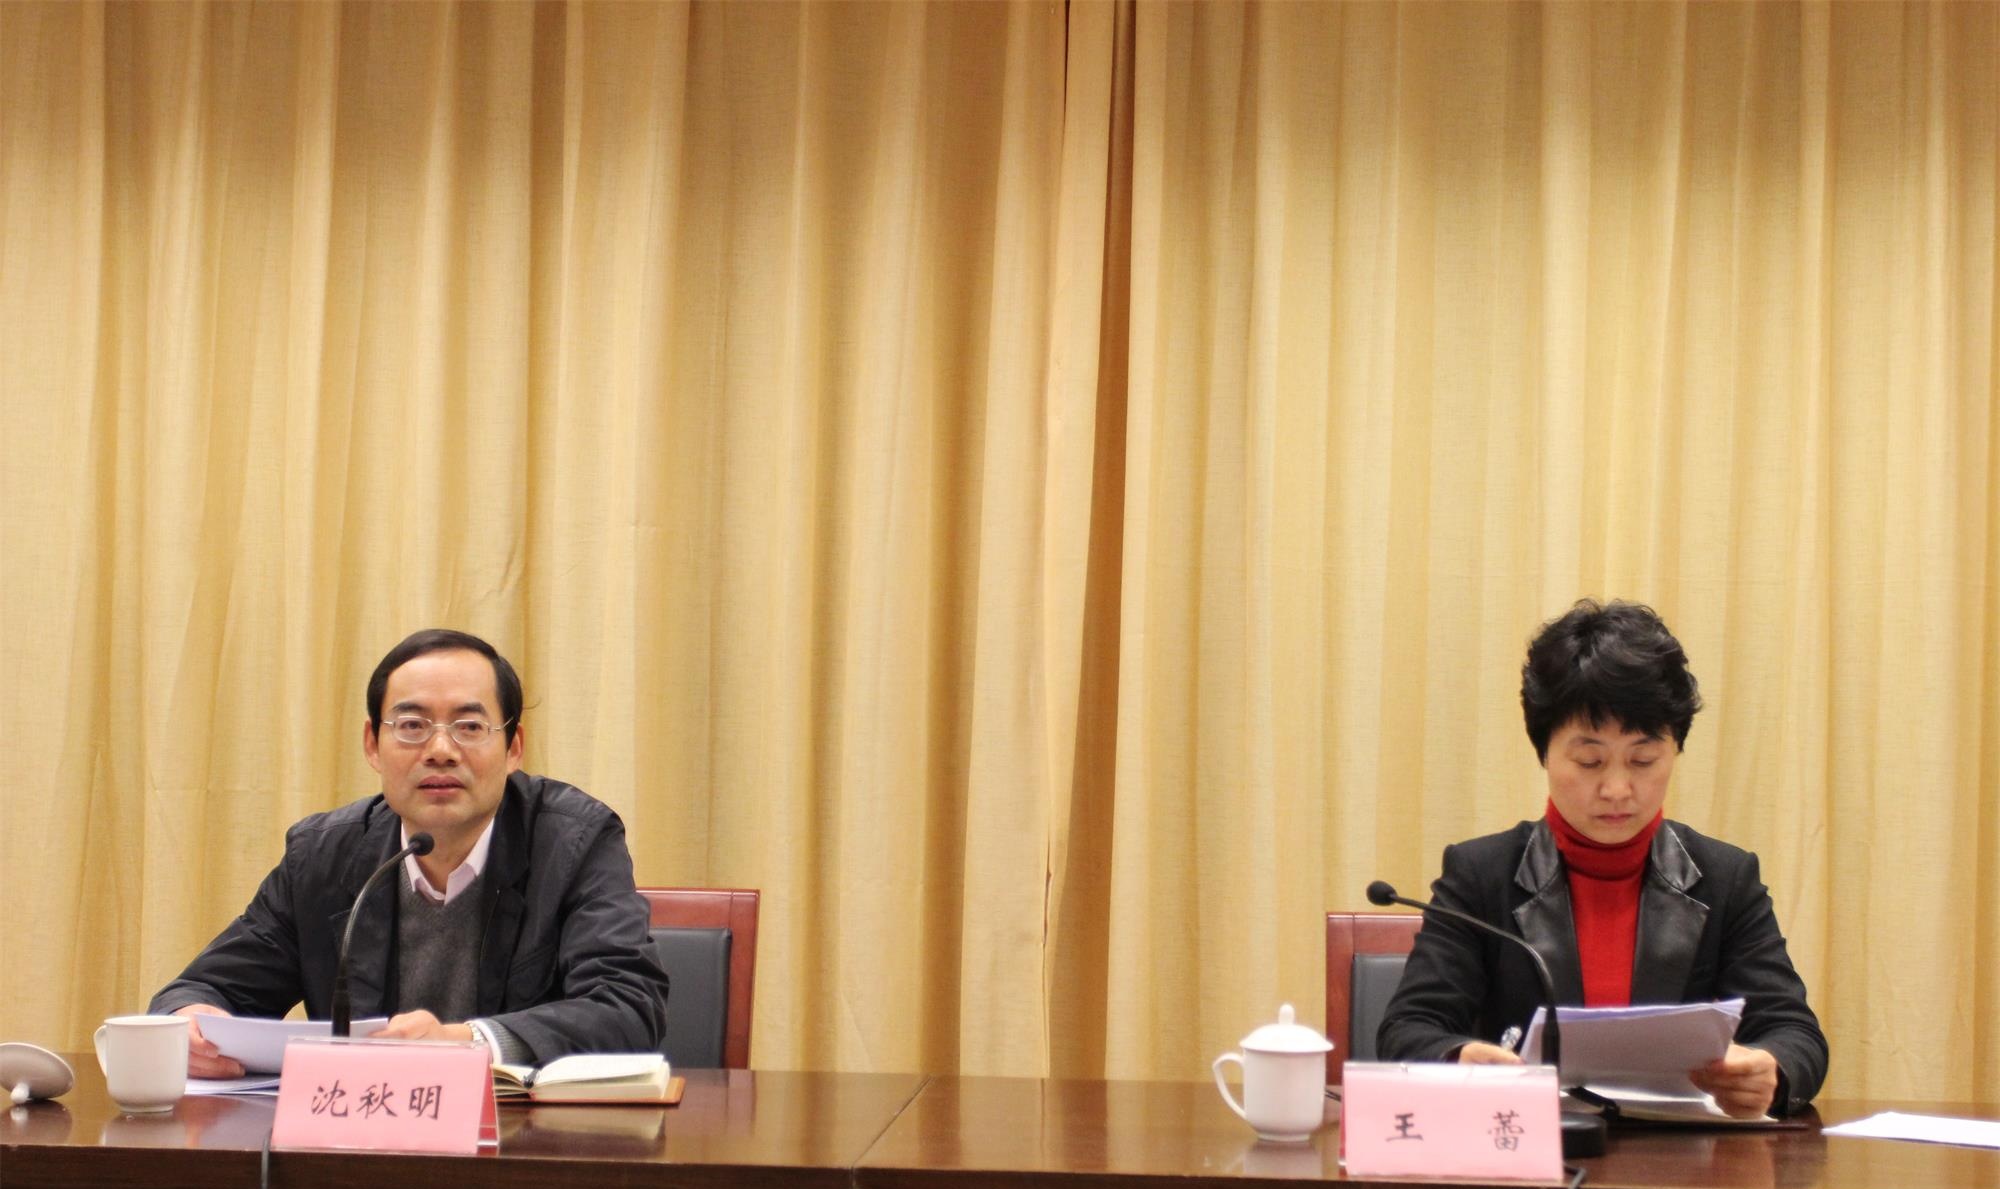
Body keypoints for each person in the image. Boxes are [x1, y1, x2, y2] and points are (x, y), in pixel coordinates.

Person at [1376, 600, 1827, 1118]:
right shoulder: (1481, 875)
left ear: (1675, 751)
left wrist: (1770, 1070)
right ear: (1545, 753)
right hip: (1530, 1142)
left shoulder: (1724, 878)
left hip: (1682, 1154)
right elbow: (1408, 1030)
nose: (1617, 789)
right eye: (1590, 760)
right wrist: (1458, 1057)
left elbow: (1796, 1034)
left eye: (1643, 760)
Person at [150, 629, 669, 1077]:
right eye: (412, 726)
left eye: (469, 727)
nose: (440, 750)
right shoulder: (324, 856)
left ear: (513, 748)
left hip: (522, 1141)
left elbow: (627, 1008)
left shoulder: (574, 843)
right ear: (373, 744)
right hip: (360, 1140)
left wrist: (468, 1043)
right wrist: (188, 1021)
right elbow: (203, 989)